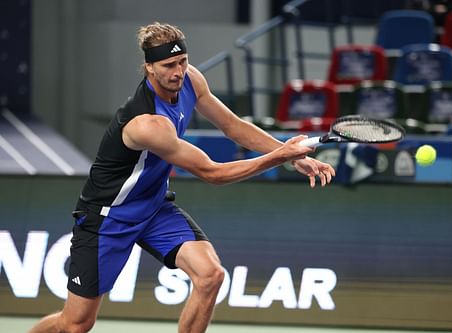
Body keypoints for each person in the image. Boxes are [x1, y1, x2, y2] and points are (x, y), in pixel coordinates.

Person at [28, 22, 335, 333]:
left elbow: (232, 126)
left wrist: (294, 156)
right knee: (76, 323)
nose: (177, 71)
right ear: (148, 67)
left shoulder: (190, 80)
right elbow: (212, 173)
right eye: (168, 65)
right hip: (108, 218)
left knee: (210, 275)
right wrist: (281, 156)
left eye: (182, 62)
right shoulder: (147, 123)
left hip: (153, 207)